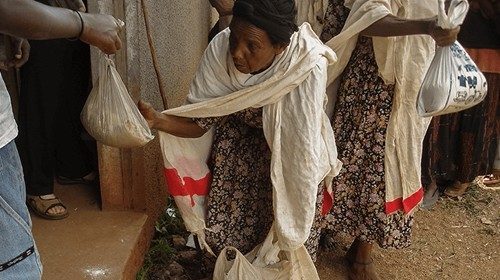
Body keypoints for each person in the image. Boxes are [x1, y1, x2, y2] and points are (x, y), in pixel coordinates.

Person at [139, 0, 341, 272]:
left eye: (252, 46)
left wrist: (293, 208)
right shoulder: (219, 51)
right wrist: (158, 120)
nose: (237, 52)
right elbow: (200, 122)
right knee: (228, 236)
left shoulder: (305, 65)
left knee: (282, 242)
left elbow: (300, 150)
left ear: (280, 47)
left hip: (288, 159)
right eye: (235, 37)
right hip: (238, 154)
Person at [318, 0, 459, 279]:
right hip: (374, 82)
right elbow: (367, 18)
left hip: (412, 78)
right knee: (358, 166)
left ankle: (362, 249)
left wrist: (444, 27)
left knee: (390, 168)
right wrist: (426, 26)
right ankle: (336, 238)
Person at [0, 0, 122, 278]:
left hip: (43, 17)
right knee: (15, 268)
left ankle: (70, 165)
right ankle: (39, 184)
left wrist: (14, 29)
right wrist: (83, 24)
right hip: (43, 15)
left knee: (67, 93)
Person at [17, 0, 97, 220]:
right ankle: (37, 185)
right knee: (43, 89)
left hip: (74, 11)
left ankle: (70, 164)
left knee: (73, 85)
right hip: (39, 8)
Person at [421, 0, 500, 203]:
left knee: (473, 124)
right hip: (449, 51)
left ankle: (464, 176)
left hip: (487, 61)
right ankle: (434, 172)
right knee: (442, 116)